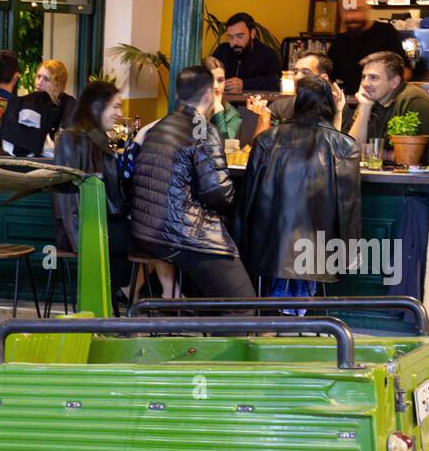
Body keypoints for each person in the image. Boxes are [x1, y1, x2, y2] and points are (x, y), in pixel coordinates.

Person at [129, 65, 256, 300]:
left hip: (146, 229)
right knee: (243, 305)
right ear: (210, 94)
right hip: (181, 233)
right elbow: (217, 192)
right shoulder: (201, 129)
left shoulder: (158, 126)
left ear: (179, 95)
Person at [235, 76, 362, 299]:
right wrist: (350, 253)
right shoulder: (344, 145)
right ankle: (297, 319)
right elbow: (348, 206)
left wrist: (240, 240)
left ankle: (276, 322)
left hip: (269, 242)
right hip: (318, 248)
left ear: (297, 101)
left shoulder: (267, 140)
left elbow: (248, 196)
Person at [52, 80, 140, 298]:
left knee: (154, 235)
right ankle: (132, 296)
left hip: (103, 223)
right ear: (96, 107)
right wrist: (82, 239)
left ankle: (129, 295)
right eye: (116, 106)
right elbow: (66, 197)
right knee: (153, 237)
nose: (120, 113)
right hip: (83, 227)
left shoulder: (97, 139)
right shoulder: (71, 138)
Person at [348, 50, 429, 149]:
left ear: (394, 82)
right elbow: (351, 152)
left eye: (373, 77)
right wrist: (365, 108)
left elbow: (413, 156)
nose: (365, 84)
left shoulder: (415, 102)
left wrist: (380, 154)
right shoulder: (367, 99)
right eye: (364, 77)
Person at [248, 53, 346, 134]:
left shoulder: (339, 108)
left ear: (323, 78)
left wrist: (338, 114)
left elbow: (343, 151)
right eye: (295, 72)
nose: (297, 77)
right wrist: (264, 118)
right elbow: (261, 150)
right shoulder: (279, 107)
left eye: (306, 72)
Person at [328, 0, 407, 97]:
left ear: (367, 8)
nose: (352, 16)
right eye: (347, 11)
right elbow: (327, 78)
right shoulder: (339, 42)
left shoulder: (386, 33)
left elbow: (405, 71)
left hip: (381, 105)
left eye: (357, 9)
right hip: (349, 106)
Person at [208, 12, 282, 93]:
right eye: (230, 37)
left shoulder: (267, 54)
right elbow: (207, 76)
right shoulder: (222, 50)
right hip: (223, 103)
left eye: (240, 36)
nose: (235, 42)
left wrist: (244, 84)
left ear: (252, 34)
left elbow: (276, 82)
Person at [36, 59, 76, 140]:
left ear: (58, 85)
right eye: (38, 76)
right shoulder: (31, 102)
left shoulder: (69, 105)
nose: (39, 82)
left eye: (46, 79)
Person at [204, 56, 242, 141]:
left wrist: (218, 114)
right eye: (210, 80)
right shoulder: (190, 107)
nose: (215, 86)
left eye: (220, 80)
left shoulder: (233, 114)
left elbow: (224, 145)